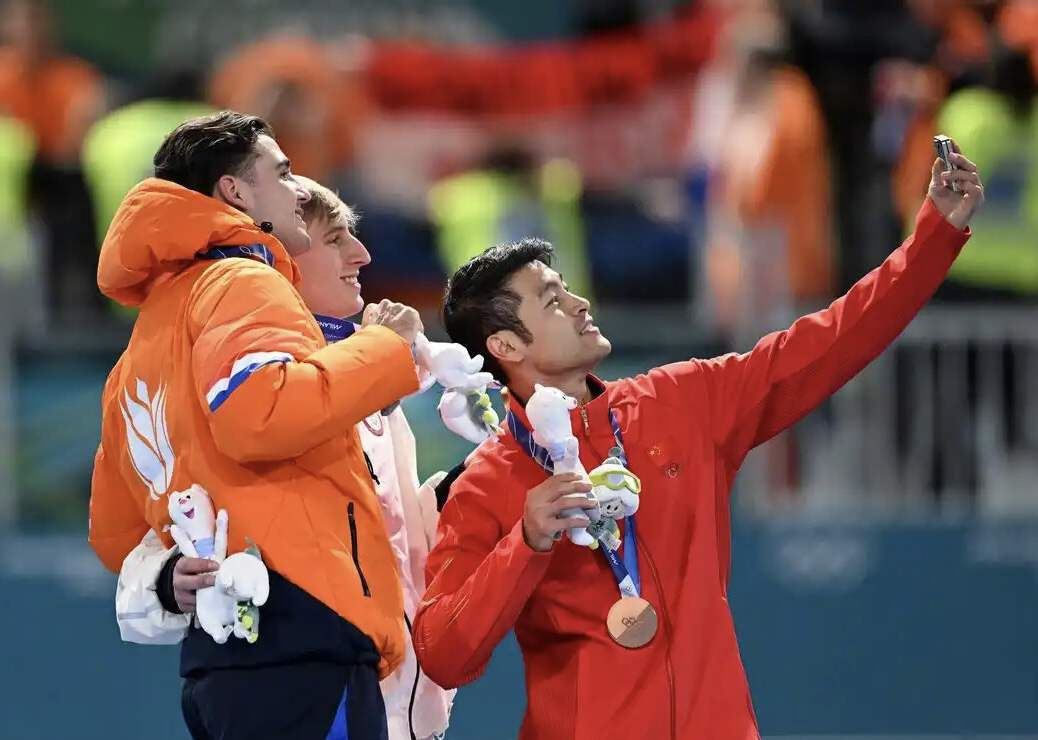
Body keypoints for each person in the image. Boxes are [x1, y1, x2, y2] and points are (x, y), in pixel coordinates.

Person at [413, 147, 984, 738]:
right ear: (506, 346)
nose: (581, 305)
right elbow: (443, 653)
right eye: (553, 302)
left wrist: (933, 239)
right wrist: (525, 542)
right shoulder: (486, 483)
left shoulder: (679, 401)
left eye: (569, 290)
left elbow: (831, 340)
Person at [89, 111, 423, 740]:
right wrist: (384, 351)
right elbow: (260, 415)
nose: (295, 189)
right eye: (283, 173)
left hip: (223, 656)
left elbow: (116, 530)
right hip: (304, 631)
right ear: (235, 192)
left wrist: (165, 577)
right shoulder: (243, 279)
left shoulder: (141, 344)